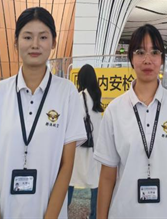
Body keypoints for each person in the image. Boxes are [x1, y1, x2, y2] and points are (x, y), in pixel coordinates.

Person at [0, 7, 87, 219]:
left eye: (43, 37)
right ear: (16, 43)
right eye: (27, 37)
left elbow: (66, 165)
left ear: (53, 42)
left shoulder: (67, 93)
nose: (35, 44)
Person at [94, 24, 167, 219]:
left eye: (154, 52)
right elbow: (107, 176)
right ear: (131, 59)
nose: (147, 60)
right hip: (124, 213)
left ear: (162, 59)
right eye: (140, 52)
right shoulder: (115, 110)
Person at [68, 64, 103, 219]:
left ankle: (62, 211)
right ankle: (94, 215)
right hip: (95, 147)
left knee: (69, 179)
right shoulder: (97, 96)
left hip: (80, 147)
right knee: (96, 182)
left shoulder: (79, 97)